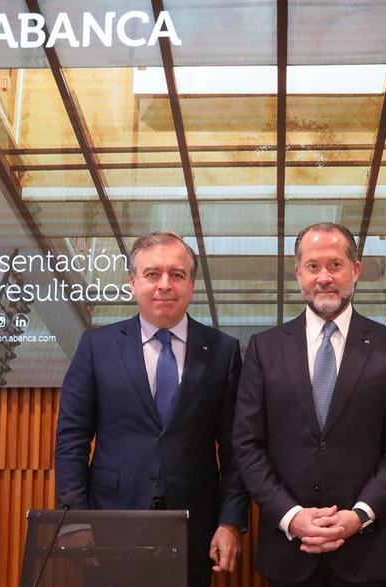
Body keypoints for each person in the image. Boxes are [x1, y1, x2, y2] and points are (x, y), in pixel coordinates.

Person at [55, 231, 248, 587]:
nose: (164, 285)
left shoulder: (223, 351)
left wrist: (230, 521)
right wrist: (75, 518)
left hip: (195, 527)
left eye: (177, 274)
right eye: (152, 274)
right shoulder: (97, 346)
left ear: (191, 285)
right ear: (133, 282)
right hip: (109, 523)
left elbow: (236, 446)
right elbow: (72, 437)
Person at [233, 222, 386, 587]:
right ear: (298, 273)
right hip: (288, 550)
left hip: (365, 549)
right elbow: (247, 443)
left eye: (335, 265)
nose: (324, 278)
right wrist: (291, 516)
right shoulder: (264, 348)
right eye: (313, 266)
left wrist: (359, 515)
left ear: (356, 269)